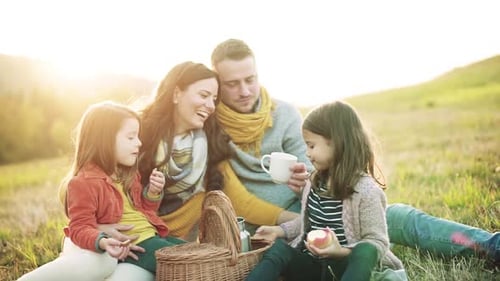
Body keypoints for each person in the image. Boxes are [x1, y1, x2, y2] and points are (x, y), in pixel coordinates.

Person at [210, 38, 499, 267]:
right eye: (233, 84)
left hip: (320, 209)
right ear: (218, 84)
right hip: (273, 229)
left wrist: (307, 184)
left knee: (396, 216)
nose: (245, 91)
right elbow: (237, 199)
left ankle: (491, 246)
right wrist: (296, 224)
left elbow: (322, 173)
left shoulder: (284, 113)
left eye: (250, 79)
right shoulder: (212, 125)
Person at [17, 101, 184, 281]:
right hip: (136, 244)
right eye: (130, 137)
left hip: (150, 236)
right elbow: (79, 227)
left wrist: (152, 192)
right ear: (105, 141)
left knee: (193, 251)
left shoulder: (127, 175)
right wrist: (102, 241)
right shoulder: (84, 182)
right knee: (184, 263)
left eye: (138, 136)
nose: (139, 143)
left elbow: (144, 211)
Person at [246, 100, 407, 281]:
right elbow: (309, 223)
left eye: (311, 145)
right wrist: (280, 231)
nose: (307, 153)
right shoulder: (314, 181)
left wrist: (341, 252)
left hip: (346, 267)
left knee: (366, 249)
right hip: (313, 266)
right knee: (280, 250)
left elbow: (378, 241)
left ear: (335, 143)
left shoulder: (366, 191)